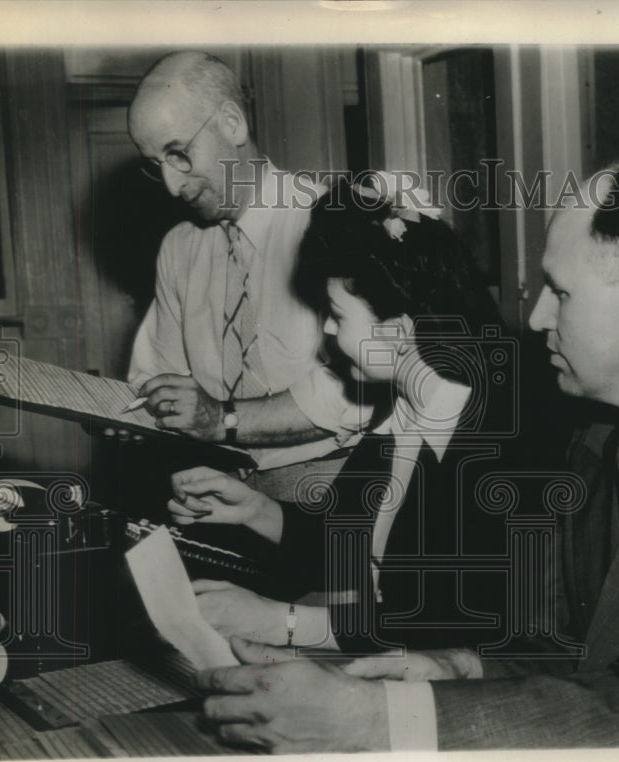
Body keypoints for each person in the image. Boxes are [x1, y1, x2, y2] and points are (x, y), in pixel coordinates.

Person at [192, 158, 619, 752]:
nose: (536, 317)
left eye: (559, 293)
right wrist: (459, 668)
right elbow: (570, 645)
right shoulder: (599, 426)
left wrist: (373, 718)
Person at [166, 177, 520, 655]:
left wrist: (280, 622)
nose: (329, 331)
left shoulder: (487, 450)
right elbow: (344, 543)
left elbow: (447, 625)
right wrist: (254, 510)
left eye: (337, 314)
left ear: (397, 333)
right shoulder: (398, 409)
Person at [125, 51, 366, 494]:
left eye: (179, 154)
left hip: (331, 483)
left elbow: (361, 392)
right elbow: (158, 374)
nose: (172, 187)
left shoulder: (333, 221)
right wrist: (136, 413)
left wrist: (223, 419)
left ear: (232, 124)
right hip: (220, 484)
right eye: (156, 164)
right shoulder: (178, 248)